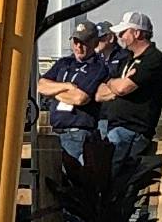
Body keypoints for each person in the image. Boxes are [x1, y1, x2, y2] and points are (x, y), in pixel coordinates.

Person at [92, 11, 162, 164]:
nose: (120, 36)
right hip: (112, 125)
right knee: (98, 165)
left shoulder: (153, 59)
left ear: (137, 33)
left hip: (132, 129)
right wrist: (114, 83)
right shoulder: (127, 59)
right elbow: (100, 93)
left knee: (109, 167)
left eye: (124, 32)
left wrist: (115, 85)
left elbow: (122, 88)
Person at [35, 19, 118, 160]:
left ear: (95, 43)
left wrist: (53, 91)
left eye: (84, 43)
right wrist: (66, 86)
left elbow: (80, 98)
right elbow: (41, 85)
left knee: (71, 175)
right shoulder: (64, 63)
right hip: (55, 132)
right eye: (75, 42)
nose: (78, 47)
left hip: (78, 134)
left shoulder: (98, 67)